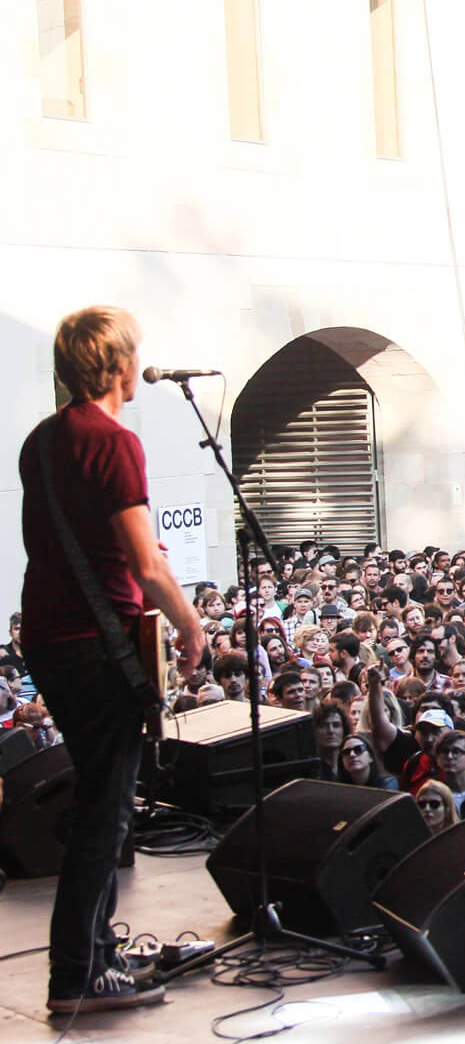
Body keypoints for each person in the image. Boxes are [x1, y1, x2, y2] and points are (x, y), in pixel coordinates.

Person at [22, 307, 205, 1013]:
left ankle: (96, 950)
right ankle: (79, 973)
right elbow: (145, 564)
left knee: (101, 798)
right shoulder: (114, 442)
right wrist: (189, 624)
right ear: (119, 365)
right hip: (95, 642)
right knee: (105, 811)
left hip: (49, 636)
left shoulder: (42, 440)